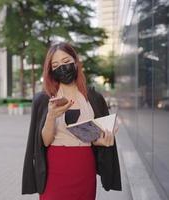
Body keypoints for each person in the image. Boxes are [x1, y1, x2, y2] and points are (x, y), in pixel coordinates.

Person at [21, 42, 122, 200]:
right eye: (56, 65)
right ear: (50, 70)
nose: (62, 68)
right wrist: (51, 116)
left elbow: (94, 136)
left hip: (84, 167)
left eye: (66, 62)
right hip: (55, 169)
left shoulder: (94, 97)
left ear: (76, 62)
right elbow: (45, 142)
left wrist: (102, 141)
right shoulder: (44, 99)